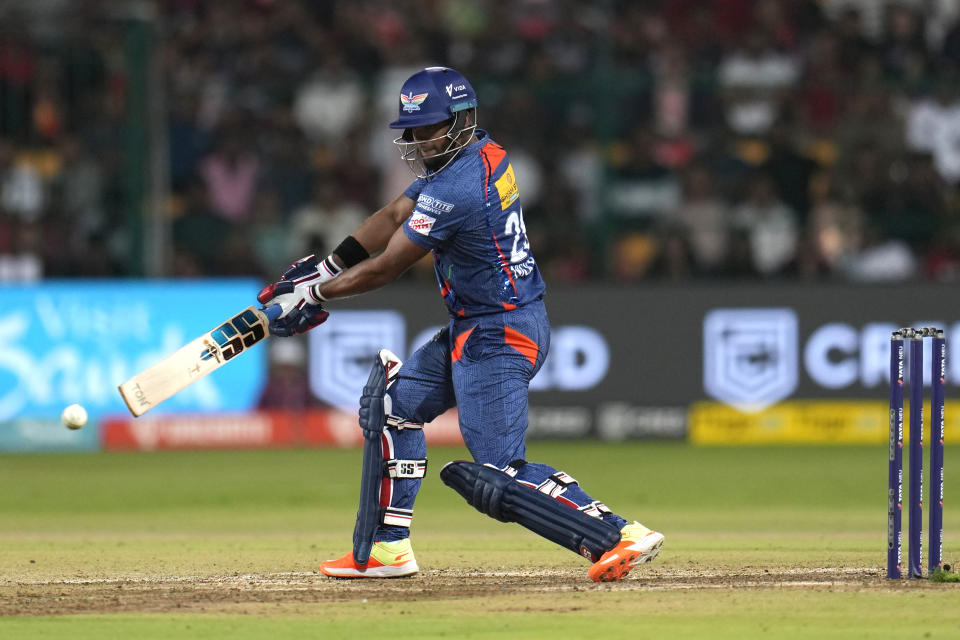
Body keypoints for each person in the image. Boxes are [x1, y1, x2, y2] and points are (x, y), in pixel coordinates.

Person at [257, 66, 664, 582]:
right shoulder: (480, 153)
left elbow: (387, 264)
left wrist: (313, 294)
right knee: (392, 406)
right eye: (413, 129)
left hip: (499, 333)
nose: (418, 140)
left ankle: (620, 533)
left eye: (429, 127)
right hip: (483, 324)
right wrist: (328, 268)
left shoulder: (459, 188)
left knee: (499, 472)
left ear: (463, 119)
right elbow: (390, 215)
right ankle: (388, 549)